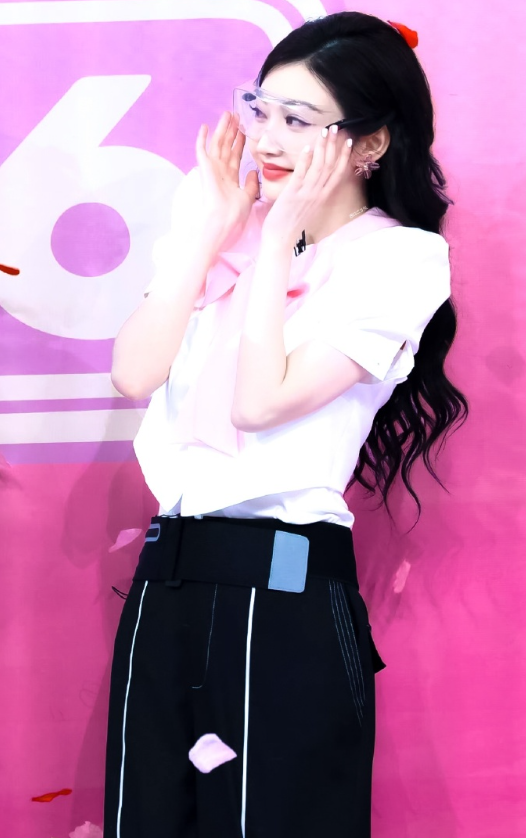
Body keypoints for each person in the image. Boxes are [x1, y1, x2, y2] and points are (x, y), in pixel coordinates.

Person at [103, 11, 468, 838]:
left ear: (369, 144)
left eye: (298, 121)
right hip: (166, 583)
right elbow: (134, 373)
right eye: (260, 109)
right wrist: (208, 235)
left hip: (284, 592)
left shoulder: (400, 260)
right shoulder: (218, 221)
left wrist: (274, 242)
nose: (266, 138)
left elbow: (258, 403)